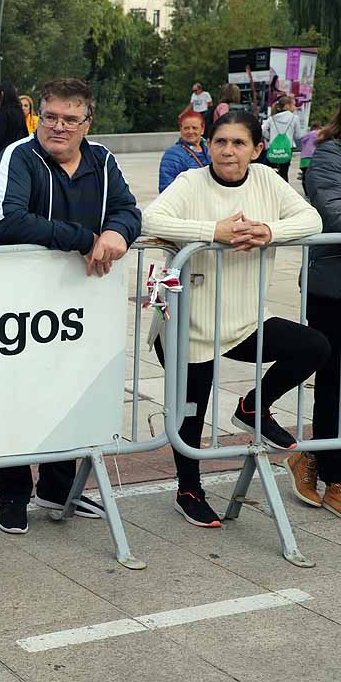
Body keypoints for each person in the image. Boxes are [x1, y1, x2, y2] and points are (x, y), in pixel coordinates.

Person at [144, 111, 326, 527]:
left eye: (239, 143)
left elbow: (311, 218)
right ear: (208, 145)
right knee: (190, 414)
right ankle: (188, 490)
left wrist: (269, 231)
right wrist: (214, 232)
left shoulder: (266, 179)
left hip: (243, 321)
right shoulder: (190, 182)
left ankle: (253, 407)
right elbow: (151, 218)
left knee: (314, 346)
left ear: (257, 149)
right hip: (188, 325)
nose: (228, 150)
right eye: (221, 142)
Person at [0, 78, 142, 535]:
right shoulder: (18, 155)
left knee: (66, 392)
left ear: (87, 123)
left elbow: (129, 210)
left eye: (70, 119)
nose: (58, 126)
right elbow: (8, 219)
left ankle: (57, 487)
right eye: (50, 116)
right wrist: (84, 239)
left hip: (75, 306)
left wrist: (116, 233)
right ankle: (12, 496)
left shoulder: (101, 159)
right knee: (15, 397)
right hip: (14, 305)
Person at [303, 104, 341, 517]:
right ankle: (334, 472)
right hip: (334, 289)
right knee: (333, 379)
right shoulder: (329, 155)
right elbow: (334, 211)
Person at [158, 109, 210, 192]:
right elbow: (166, 188)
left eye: (194, 128)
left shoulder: (211, 149)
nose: (190, 132)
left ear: (202, 129)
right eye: (186, 128)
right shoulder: (172, 154)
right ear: (180, 129)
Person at [262, 94, 303, 180]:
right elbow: (298, 135)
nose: (295, 107)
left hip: (273, 147)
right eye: (294, 105)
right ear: (287, 106)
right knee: (284, 172)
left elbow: (263, 129)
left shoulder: (272, 118)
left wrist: (270, 137)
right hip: (287, 148)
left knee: (271, 172)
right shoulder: (294, 118)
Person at [0, 82, 28, 156]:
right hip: (19, 152)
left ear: (2, 94)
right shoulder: (19, 110)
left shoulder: (3, 112)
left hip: (4, 152)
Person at [300, 121, 322, 189]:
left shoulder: (306, 135)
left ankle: (306, 194)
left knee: (305, 176)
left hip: (304, 158)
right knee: (315, 177)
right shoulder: (319, 133)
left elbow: (302, 142)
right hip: (314, 158)